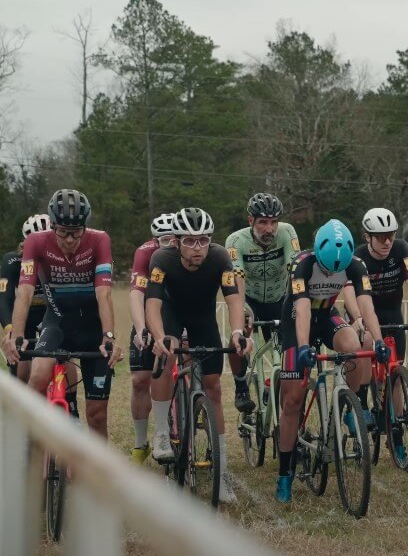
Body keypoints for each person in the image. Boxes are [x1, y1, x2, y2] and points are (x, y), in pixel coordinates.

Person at [274, 219, 389, 503]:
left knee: (353, 345)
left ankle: (351, 403)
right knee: (292, 402)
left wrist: (378, 340)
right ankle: (285, 473)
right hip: (296, 320)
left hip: (326, 315)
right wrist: (303, 347)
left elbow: (367, 307)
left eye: (339, 269)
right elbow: (300, 310)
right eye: (329, 268)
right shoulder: (302, 264)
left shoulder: (355, 265)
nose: (334, 272)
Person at [145, 207, 251, 504]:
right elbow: (152, 304)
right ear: (176, 241)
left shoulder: (219, 257)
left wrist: (237, 332)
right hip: (171, 314)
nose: (198, 248)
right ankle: (163, 432)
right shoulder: (161, 259)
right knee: (167, 356)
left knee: (214, 387)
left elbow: (233, 300)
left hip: (203, 318)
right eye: (190, 241)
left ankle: (223, 471)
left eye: (203, 240)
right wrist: (158, 337)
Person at [3, 190, 123, 438]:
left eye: (76, 231)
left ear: (85, 226)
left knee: (97, 415)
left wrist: (108, 336)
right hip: (57, 322)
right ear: (53, 225)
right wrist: (16, 334)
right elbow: (24, 293)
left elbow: (104, 294)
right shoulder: (36, 242)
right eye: (63, 231)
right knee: (36, 378)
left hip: (92, 328)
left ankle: (95, 475)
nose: (69, 239)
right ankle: (32, 448)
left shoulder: (99, 240)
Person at [354, 207, 408, 446]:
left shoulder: (401, 249)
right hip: (365, 313)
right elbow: (351, 293)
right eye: (381, 237)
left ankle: (396, 433)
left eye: (391, 235)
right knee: (365, 342)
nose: (387, 242)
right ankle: (362, 402)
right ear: (368, 237)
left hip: (393, 314)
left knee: (395, 374)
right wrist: (357, 319)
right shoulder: (358, 256)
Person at [225, 192, 300, 413]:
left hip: (279, 298)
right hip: (251, 300)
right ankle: (241, 386)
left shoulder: (287, 233)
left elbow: (294, 270)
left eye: (273, 222)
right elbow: (237, 282)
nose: (269, 229)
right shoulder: (235, 241)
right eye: (263, 222)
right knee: (240, 330)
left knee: (288, 349)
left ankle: (274, 386)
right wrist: (239, 321)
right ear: (251, 221)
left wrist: (296, 305)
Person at [127, 213, 177, 463]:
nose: (170, 244)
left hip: (178, 313)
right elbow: (136, 293)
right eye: (164, 240)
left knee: (184, 365)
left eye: (174, 239)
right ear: (155, 240)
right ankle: (140, 443)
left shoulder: (189, 250)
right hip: (150, 312)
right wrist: (139, 328)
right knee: (140, 379)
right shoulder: (145, 252)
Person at [1, 214, 52, 381]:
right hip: (25, 317)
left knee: (63, 359)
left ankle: (70, 404)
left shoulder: (61, 259)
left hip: (50, 316)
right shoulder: (12, 261)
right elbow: (4, 297)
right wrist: (10, 329)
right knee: (22, 373)